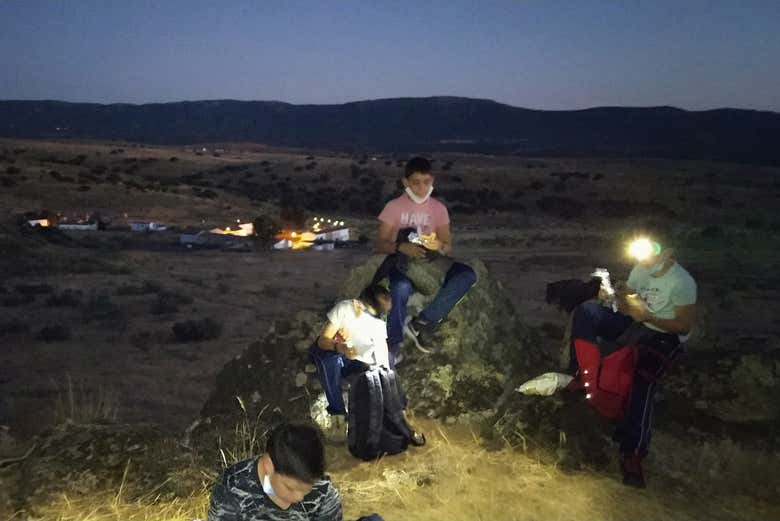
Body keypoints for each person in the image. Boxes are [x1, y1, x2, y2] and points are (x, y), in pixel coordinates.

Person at [569, 236, 697, 488]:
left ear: (667, 252)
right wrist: (617, 299)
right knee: (587, 312)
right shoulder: (641, 270)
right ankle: (582, 374)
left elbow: (684, 325)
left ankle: (633, 453)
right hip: (636, 324)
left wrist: (648, 315)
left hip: (665, 336)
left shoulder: (682, 281)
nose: (644, 257)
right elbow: (629, 295)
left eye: (650, 250)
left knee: (642, 377)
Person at [375, 156, 476, 360]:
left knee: (466, 275)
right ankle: (394, 343)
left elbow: (447, 247)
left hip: (432, 263)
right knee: (400, 288)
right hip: (403, 263)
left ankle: (421, 323)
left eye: (426, 182)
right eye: (415, 182)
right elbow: (380, 243)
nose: (422, 188)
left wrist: (437, 245)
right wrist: (401, 246)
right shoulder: (393, 207)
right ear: (406, 182)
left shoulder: (439, 209)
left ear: (432, 180)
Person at [208, 422, 384, 521]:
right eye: (291, 488)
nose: (299, 497)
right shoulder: (232, 489)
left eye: (306, 489)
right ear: (268, 466)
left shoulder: (323, 491)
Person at [309, 284, 392, 440]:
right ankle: (338, 416)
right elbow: (322, 341)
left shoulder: (379, 324)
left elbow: (382, 352)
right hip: (331, 352)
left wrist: (384, 374)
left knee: (373, 378)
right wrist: (340, 347)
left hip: (353, 360)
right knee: (330, 361)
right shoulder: (345, 309)